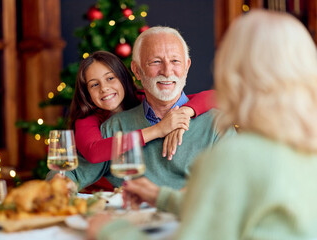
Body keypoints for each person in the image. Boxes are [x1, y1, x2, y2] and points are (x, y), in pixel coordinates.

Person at [87, 9, 317, 240]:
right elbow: (230, 204)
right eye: (156, 62)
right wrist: (162, 198)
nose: (167, 70)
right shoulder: (306, 150)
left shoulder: (235, 155)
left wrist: (111, 231)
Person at [66, 26, 235, 190]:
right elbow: (69, 176)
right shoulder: (114, 127)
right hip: (133, 218)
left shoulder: (216, 124)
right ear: (137, 71)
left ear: (186, 67)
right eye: (155, 62)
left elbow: (237, 187)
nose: (167, 71)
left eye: (175, 61)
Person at [46, 50, 216, 189]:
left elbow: (215, 96)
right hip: (111, 191)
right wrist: (158, 130)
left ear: (123, 78)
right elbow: (93, 153)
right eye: (94, 84)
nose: (104, 88)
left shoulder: (145, 98)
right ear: (87, 93)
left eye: (110, 78)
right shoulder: (89, 120)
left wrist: (186, 111)